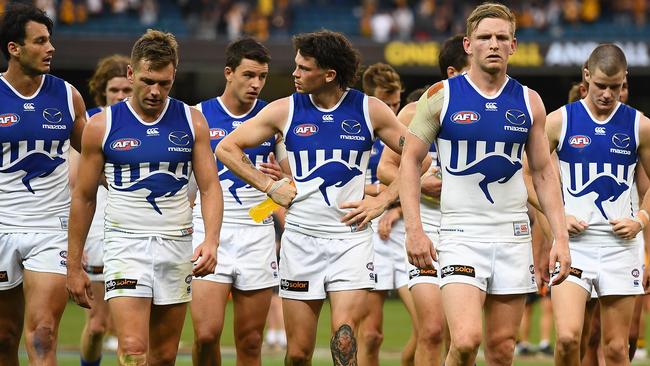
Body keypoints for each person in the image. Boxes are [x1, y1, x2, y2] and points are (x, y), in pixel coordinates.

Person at [216, 30, 408, 365]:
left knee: (344, 337)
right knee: (300, 353)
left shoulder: (370, 109)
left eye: (304, 68)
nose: (295, 73)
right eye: (296, 66)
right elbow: (226, 147)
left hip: (350, 241)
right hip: (301, 242)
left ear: (329, 74)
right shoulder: (284, 110)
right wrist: (269, 186)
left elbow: (416, 157)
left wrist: (385, 199)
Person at [399, 3, 571, 366]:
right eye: (484, 37)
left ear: (513, 45)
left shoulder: (529, 101)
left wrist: (560, 239)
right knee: (464, 341)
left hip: (513, 236)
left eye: (501, 37)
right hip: (460, 234)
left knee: (502, 349)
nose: (493, 44)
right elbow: (410, 162)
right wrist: (414, 230)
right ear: (467, 45)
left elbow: (542, 173)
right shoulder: (440, 96)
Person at [66, 29, 222, 365]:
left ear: (174, 76)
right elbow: (84, 198)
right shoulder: (101, 126)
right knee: (134, 350)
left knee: (164, 357)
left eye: (164, 83)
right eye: (148, 80)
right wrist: (74, 263)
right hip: (125, 246)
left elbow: (210, 188)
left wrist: (212, 241)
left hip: (177, 246)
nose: (155, 91)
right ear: (131, 73)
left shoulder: (193, 121)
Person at [547, 44, 650, 366]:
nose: (608, 94)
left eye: (616, 87)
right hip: (572, 245)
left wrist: (642, 218)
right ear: (586, 77)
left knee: (618, 348)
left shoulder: (640, 125)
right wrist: (558, 216)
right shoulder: (558, 121)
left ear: (625, 81)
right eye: (601, 86)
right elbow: (527, 176)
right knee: (567, 339)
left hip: (621, 246)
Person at [376, 33, 470, 366]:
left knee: (460, 336)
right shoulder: (415, 111)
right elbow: (387, 167)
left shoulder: (495, 111)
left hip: (470, 229)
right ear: (453, 73)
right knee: (430, 329)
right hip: (426, 226)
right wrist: (422, 182)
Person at [0, 4, 86, 365]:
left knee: (43, 334)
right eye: (40, 41)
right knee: (4, 339)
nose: (50, 48)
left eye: (50, 40)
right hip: (2, 225)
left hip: (52, 228)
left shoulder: (67, 96)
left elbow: (99, 160)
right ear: (14, 48)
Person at [190, 37, 280, 366]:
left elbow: (289, 183)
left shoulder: (273, 117)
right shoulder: (199, 115)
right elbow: (189, 182)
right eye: (248, 75)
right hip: (209, 230)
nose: (256, 84)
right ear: (229, 73)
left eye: (262, 77)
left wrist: (280, 180)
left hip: (256, 233)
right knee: (206, 335)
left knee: (251, 340)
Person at [356, 62, 418, 366]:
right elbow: (349, 185)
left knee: (427, 326)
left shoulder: (403, 133)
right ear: (370, 97)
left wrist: (393, 207)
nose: (392, 108)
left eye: (396, 102)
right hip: (368, 232)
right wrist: (380, 196)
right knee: (371, 335)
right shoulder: (356, 129)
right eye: (385, 101)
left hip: (405, 231)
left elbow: (417, 178)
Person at [74, 54, 131, 366]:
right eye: (114, 91)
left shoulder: (149, 122)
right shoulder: (92, 124)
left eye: (127, 90)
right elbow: (75, 184)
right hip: (97, 228)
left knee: (131, 330)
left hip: (135, 227)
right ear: (103, 92)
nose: (121, 96)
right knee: (97, 325)